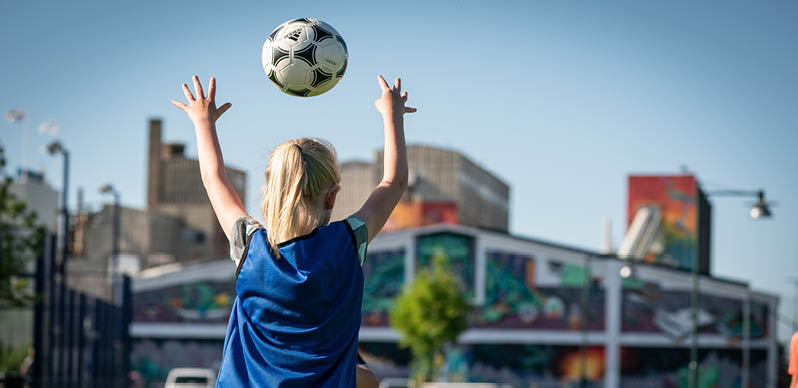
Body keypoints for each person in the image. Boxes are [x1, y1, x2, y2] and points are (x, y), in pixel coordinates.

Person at [171, 74, 415, 387]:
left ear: (270, 193)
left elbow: (213, 178)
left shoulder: (249, 247)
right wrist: (391, 114)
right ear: (331, 197)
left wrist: (203, 121)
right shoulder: (347, 243)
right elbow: (393, 183)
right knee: (367, 380)